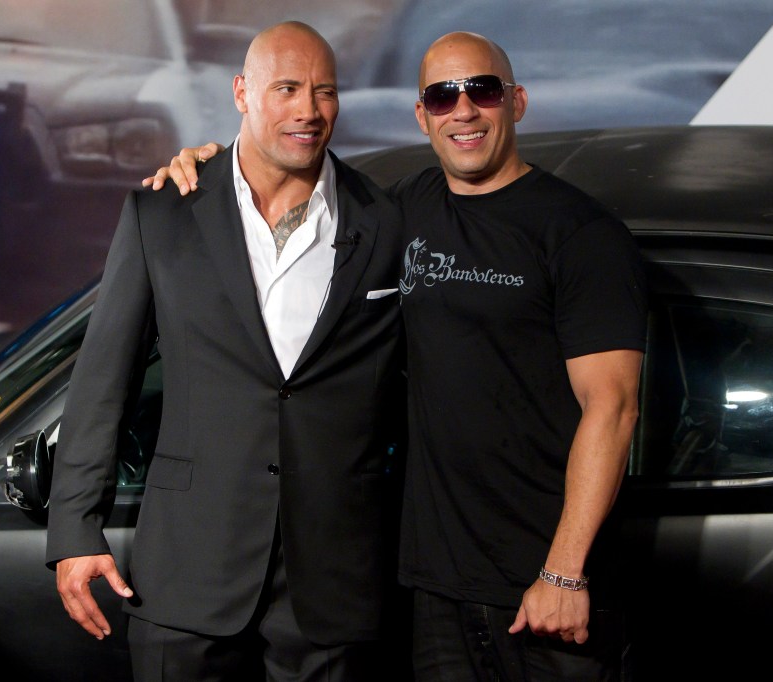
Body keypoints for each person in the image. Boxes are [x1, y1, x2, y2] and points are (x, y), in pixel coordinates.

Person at [147, 30, 648, 682]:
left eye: (482, 90)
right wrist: (209, 166)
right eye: (442, 96)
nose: (462, 110)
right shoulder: (400, 211)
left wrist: (564, 571)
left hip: (545, 586)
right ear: (421, 115)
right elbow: (293, 180)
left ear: (516, 101)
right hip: (431, 587)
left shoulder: (580, 233)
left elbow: (613, 406)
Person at [46, 21, 408, 682]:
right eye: (287, 89)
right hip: (188, 572)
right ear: (242, 92)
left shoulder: (386, 220)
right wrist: (75, 528)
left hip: (334, 584)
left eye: (324, 91)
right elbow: (103, 383)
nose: (308, 110)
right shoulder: (163, 211)